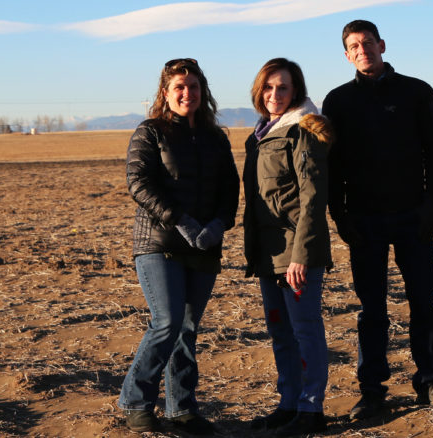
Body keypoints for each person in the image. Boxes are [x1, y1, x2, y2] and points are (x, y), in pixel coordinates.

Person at [322, 19, 433, 420]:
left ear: (381, 44)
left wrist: (430, 205)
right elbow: (332, 165)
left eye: (367, 42)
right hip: (364, 219)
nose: (362, 50)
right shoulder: (338, 100)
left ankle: (429, 379)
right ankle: (372, 390)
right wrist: (340, 216)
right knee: (371, 309)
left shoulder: (417, 92)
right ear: (346, 55)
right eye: (354, 46)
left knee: (423, 301)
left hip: (411, 215)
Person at [120, 58, 239, 434]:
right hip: (159, 242)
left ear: (203, 91)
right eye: (179, 87)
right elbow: (138, 182)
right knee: (167, 321)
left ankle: (182, 409)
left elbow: (230, 188)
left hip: (204, 245)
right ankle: (137, 402)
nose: (187, 93)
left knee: (187, 329)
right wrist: (182, 221)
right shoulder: (150, 132)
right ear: (166, 93)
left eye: (194, 86)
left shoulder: (216, 138)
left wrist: (218, 225)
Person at [242, 58, 332, 436]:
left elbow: (312, 196)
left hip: (295, 253)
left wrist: (301, 255)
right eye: (268, 87)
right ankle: (288, 403)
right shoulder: (260, 134)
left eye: (283, 88)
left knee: (305, 330)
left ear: (296, 91)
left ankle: (311, 409)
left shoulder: (302, 130)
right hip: (268, 253)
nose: (274, 94)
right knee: (280, 333)